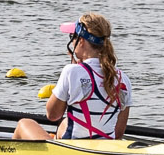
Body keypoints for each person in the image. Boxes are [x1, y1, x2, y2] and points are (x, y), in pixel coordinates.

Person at [16, 12, 130, 140]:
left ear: (81, 41)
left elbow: (52, 115)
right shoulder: (123, 78)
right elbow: (118, 134)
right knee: (65, 123)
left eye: (72, 36)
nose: (72, 40)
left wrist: (71, 76)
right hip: (104, 150)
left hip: (75, 150)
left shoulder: (71, 72)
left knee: (24, 123)